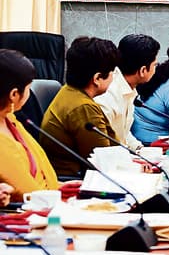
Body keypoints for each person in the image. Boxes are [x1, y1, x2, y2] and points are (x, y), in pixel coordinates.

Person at [40, 37, 120, 177]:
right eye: (112, 72)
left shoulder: (68, 91)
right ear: (97, 78)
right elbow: (104, 162)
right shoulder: (83, 107)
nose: (114, 77)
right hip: (75, 180)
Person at [0, 50, 58, 199]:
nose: (29, 94)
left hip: (47, 200)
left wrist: (61, 188)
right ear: (14, 94)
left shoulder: (10, 119)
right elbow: (26, 190)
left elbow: (37, 174)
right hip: (28, 209)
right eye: (28, 89)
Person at [95, 34, 160, 151]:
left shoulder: (128, 88)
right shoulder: (109, 93)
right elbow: (103, 144)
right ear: (143, 70)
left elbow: (123, 133)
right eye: (155, 65)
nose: (156, 69)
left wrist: (139, 149)